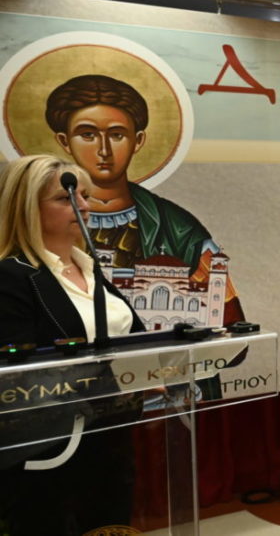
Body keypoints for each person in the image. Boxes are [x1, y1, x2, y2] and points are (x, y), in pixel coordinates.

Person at [0, 154, 145, 534]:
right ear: (27, 207)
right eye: (65, 198)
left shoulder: (91, 269)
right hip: (48, 451)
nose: (83, 205)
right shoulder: (11, 276)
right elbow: (17, 374)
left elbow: (136, 338)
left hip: (111, 439)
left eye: (84, 195)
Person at [45, 74, 244, 324]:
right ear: (64, 141)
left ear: (137, 141)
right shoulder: (43, 222)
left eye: (117, 135)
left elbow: (228, 322)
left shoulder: (178, 229)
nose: (103, 150)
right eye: (87, 134)